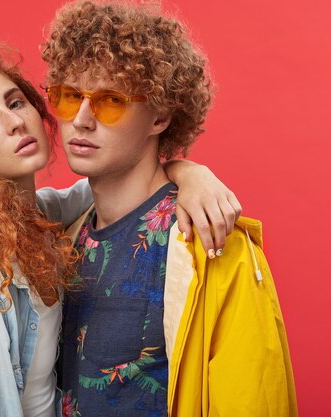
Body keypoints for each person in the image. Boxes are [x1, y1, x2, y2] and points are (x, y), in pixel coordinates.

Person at [0, 40, 242, 417]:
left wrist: (192, 174)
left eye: (16, 102)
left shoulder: (42, 216)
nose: (15, 122)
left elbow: (118, 181)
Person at [38, 1, 296, 416]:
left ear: (159, 116)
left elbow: (255, 399)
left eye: (110, 100)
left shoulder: (212, 242)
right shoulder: (61, 241)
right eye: (70, 96)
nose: (81, 119)